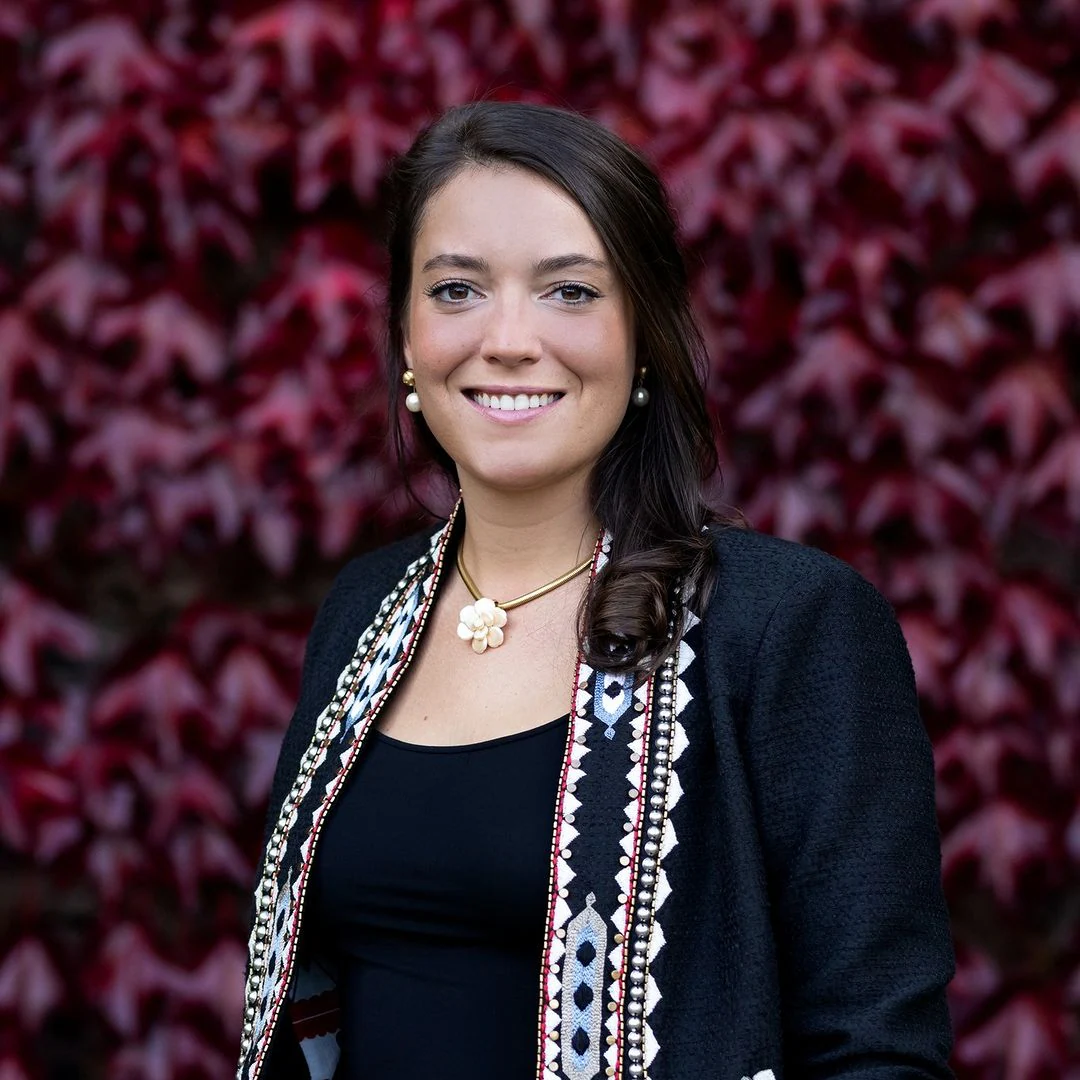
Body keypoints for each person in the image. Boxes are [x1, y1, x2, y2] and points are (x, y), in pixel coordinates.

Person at [236, 100, 955, 1080]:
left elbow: (879, 1056)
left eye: (569, 293)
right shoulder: (365, 615)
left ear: (646, 335)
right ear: (405, 331)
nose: (508, 340)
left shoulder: (787, 629)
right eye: (456, 290)